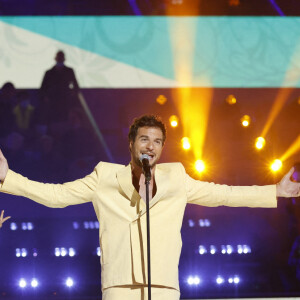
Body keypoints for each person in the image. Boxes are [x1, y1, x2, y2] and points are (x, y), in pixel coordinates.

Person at [0, 115, 299, 300]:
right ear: (131, 143)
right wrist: (7, 178)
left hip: (164, 287)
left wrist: (276, 191)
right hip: (120, 287)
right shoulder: (105, 176)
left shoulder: (177, 177)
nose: (150, 146)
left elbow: (225, 194)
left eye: (157, 141)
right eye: (144, 139)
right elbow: (57, 196)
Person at [39, 50, 80, 124]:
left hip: (65, 100)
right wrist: (46, 97)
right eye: (58, 57)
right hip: (53, 100)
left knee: (65, 120)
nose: (60, 59)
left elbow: (76, 86)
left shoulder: (69, 71)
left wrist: (72, 96)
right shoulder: (49, 73)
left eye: (61, 57)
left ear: (64, 59)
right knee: (53, 120)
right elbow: (43, 87)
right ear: (55, 58)